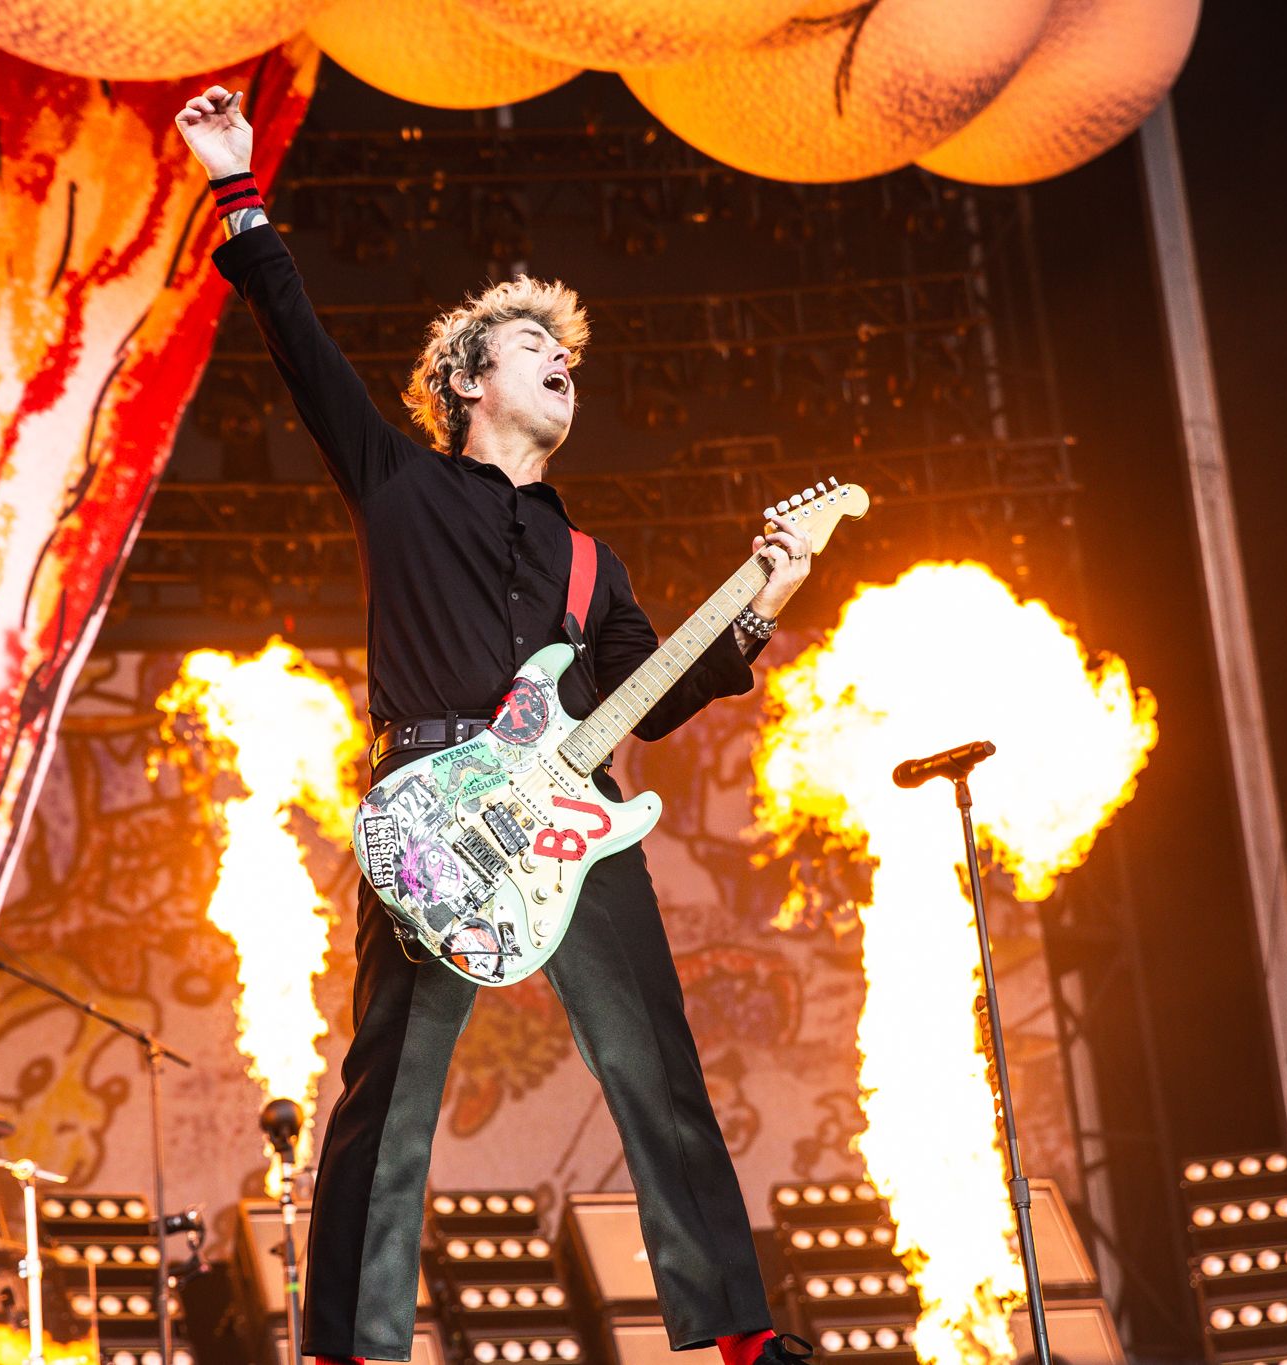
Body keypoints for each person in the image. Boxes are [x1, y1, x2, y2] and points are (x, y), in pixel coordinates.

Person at [176, 86, 816, 1365]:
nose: (560, 363)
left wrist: (761, 603)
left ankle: (740, 1340)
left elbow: (660, 692)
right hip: (433, 814)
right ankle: (348, 1350)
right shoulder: (402, 486)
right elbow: (297, 343)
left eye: (564, 355)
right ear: (469, 380)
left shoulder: (593, 562)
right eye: (533, 345)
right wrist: (238, 191)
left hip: (573, 824)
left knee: (659, 1073)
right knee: (389, 1094)